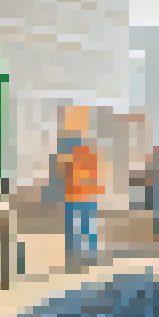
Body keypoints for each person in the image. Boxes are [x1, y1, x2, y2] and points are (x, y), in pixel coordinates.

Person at [57, 107, 105, 270]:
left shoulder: (83, 148)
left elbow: (95, 169)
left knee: (84, 225)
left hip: (83, 192)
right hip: (76, 192)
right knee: (79, 226)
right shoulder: (70, 148)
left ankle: (83, 256)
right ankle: (78, 256)